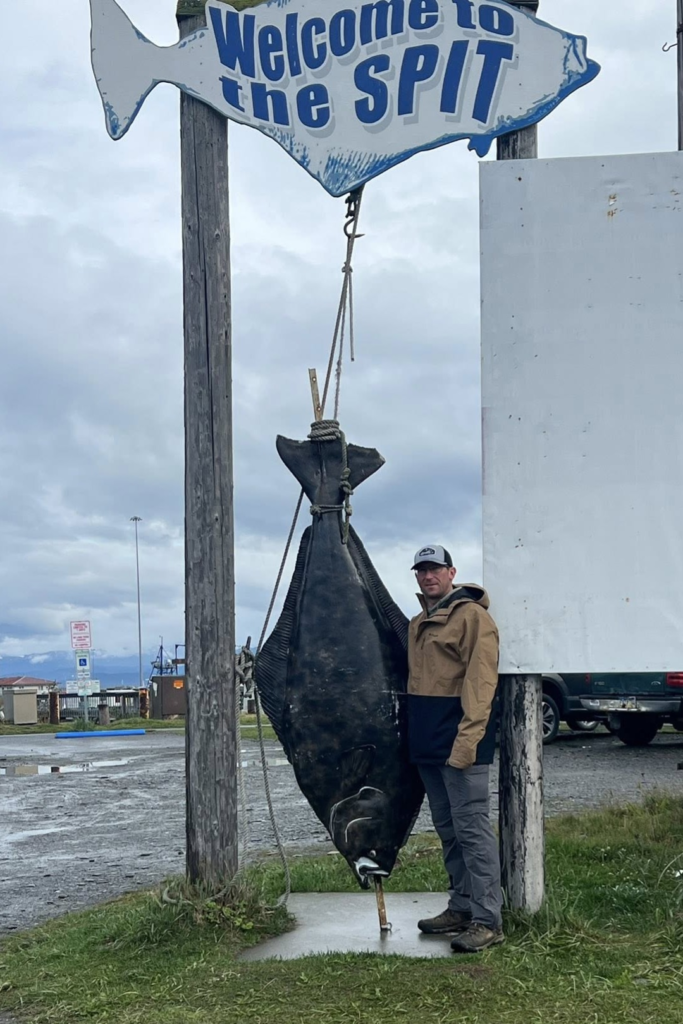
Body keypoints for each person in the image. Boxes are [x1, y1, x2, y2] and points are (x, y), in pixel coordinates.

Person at [407, 544, 503, 953]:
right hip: (428, 745)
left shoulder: (473, 618)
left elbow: (481, 685)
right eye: (422, 570)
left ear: (452, 572)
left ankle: (487, 920)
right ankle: (461, 907)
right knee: (449, 832)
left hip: (460, 743)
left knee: (473, 832)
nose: (429, 576)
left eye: (436, 569)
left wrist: (468, 742)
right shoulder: (417, 622)